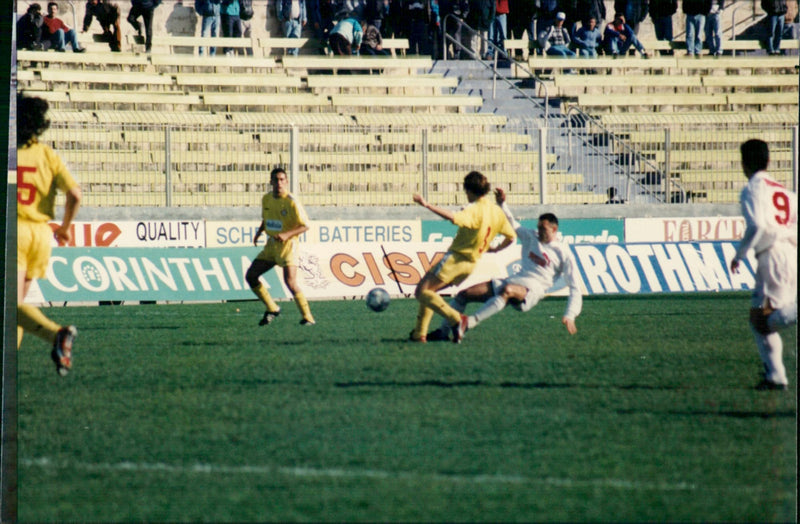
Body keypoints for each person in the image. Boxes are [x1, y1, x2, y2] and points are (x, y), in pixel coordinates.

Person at [429, 189, 582, 342]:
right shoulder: (531, 236)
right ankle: (443, 332)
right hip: (515, 279)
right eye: (539, 227)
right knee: (464, 294)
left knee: (507, 291)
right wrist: (502, 204)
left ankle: (468, 323)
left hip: (533, 290)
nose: (539, 231)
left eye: (543, 229)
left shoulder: (563, 253)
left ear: (554, 230)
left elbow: (575, 287)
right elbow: (512, 223)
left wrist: (570, 314)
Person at [16, 94, 82, 376]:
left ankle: (57, 334)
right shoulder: (47, 155)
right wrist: (65, 228)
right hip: (41, 236)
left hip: (14, 231)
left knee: (10, 305)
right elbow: (75, 195)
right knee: (15, 306)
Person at [408, 171, 516, 343]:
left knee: (422, 291)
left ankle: (457, 320)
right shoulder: (496, 211)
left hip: (455, 260)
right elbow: (511, 237)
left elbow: (453, 217)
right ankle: (419, 334)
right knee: (431, 291)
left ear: (469, 190)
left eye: (466, 191)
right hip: (471, 264)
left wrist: (427, 205)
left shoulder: (474, 209)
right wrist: (495, 249)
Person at [730, 139, 797, 391]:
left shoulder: (753, 189)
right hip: (789, 253)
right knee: (760, 319)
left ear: (744, 163)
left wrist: (739, 254)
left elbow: (757, 225)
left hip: (772, 256)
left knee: (765, 319)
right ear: (768, 161)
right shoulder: (783, 191)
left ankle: (776, 375)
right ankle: (776, 376)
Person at [245, 167, 316, 327]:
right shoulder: (267, 199)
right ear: (271, 182)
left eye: (282, 180)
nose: (279, 183)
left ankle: (308, 317)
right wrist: (259, 232)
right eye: (276, 180)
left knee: (290, 282)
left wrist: (286, 235)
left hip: (288, 247)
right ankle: (272, 308)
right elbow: (267, 218)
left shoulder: (291, 201)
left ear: (287, 182)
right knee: (251, 276)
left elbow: (305, 226)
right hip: (271, 246)